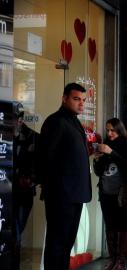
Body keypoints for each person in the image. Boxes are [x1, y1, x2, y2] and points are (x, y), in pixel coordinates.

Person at [39, 83, 92, 270]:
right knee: (57, 245)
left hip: (74, 195)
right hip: (61, 195)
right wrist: (55, 189)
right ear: (64, 98)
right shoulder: (56, 121)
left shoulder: (73, 121)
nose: (81, 104)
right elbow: (47, 158)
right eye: (76, 99)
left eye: (84, 100)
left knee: (65, 246)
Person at [93, 118, 127, 270]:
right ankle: (112, 259)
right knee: (110, 225)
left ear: (119, 129)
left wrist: (111, 153)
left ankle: (120, 261)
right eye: (107, 130)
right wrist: (97, 160)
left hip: (121, 193)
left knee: (123, 225)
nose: (109, 133)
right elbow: (99, 172)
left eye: (112, 130)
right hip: (106, 191)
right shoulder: (106, 143)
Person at [12, 104, 40, 270]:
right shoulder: (5, 135)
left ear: (20, 121)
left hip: (22, 191)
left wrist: (31, 179)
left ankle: (14, 262)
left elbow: (42, 163)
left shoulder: (33, 138)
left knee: (17, 229)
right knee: (11, 229)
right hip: (6, 190)